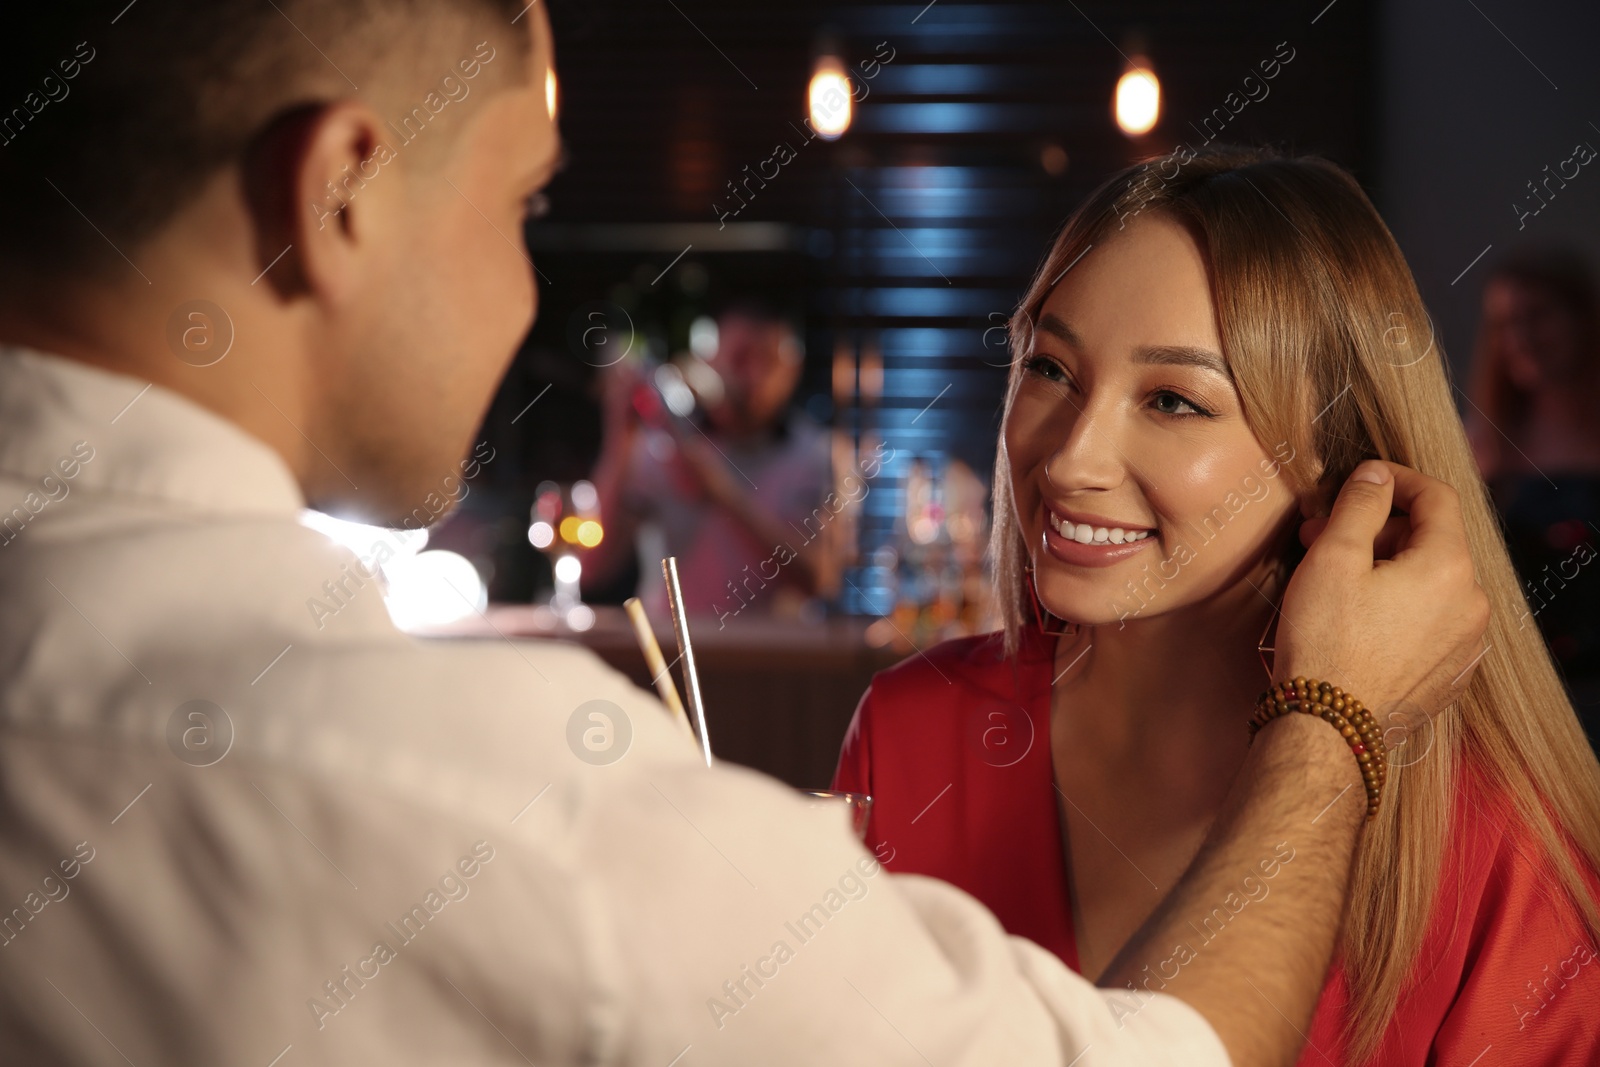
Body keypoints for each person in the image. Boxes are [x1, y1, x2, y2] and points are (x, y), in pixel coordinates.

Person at [0, 7, 1487, 1066]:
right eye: (525, 205)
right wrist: (1335, 714)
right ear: (337, 193)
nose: (530, 294)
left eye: (1178, 396)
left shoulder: (1497, 854)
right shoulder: (499, 798)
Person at [833, 145, 1600, 1065]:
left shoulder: (1493, 846)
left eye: (1171, 400)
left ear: (1343, 470)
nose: (1072, 460)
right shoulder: (912, 730)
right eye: (1051, 369)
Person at [585, 300, 833, 623]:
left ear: (793, 371)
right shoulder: (661, 446)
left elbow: (821, 580)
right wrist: (620, 440)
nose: (755, 376)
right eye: (741, 358)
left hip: (776, 660)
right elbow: (592, 568)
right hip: (672, 657)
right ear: (707, 360)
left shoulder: (814, 455)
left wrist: (722, 494)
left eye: (770, 362)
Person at [1466, 246, 1600, 746]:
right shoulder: (1480, 448)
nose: (1520, 338)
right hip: (1526, 710)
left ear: (1582, 318)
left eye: (1536, 315)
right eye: (1502, 323)